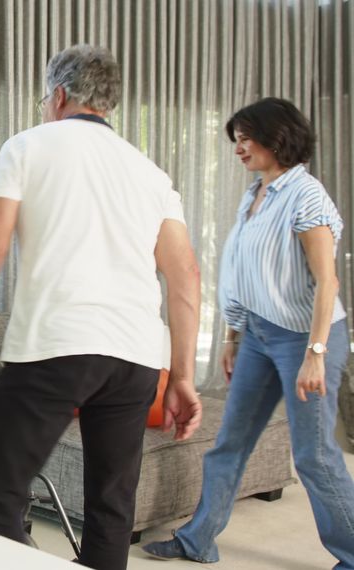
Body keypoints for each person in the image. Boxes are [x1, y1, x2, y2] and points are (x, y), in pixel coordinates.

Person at [0, 44, 203, 570]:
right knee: (111, 507)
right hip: (138, 358)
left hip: (58, 347)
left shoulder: (28, 146)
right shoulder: (150, 173)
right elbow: (185, 275)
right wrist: (184, 376)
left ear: (57, 95)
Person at [142, 99, 354, 568]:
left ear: (276, 137)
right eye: (235, 140)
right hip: (258, 336)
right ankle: (199, 539)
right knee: (229, 442)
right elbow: (242, 269)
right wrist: (233, 335)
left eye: (245, 138)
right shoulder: (255, 193)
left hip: (305, 337)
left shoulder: (307, 195)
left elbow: (328, 282)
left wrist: (316, 353)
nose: (238, 149)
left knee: (315, 455)